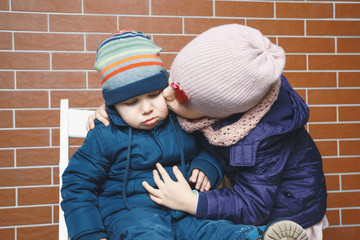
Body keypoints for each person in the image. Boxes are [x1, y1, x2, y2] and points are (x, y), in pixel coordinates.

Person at [62, 29, 308, 240]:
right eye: (131, 102)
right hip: (132, 215)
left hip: (184, 209)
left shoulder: (181, 120)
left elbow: (212, 148)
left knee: (215, 231)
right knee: (149, 235)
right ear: (114, 105)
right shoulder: (104, 134)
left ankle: (258, 236)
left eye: (154, 94)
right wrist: (88, 233)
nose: (147, 108)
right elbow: (77, 185)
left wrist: (206, 166)